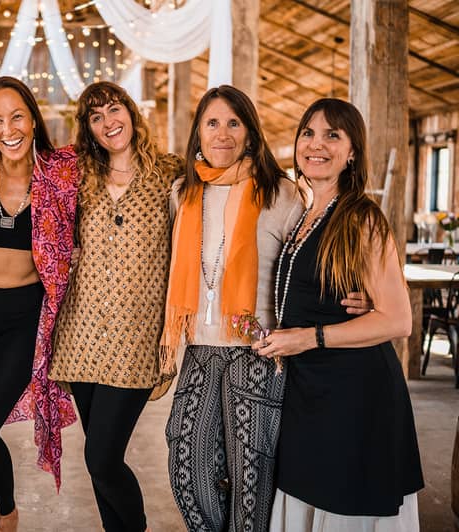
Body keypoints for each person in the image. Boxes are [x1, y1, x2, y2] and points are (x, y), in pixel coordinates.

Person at [253, 98, 423, 531]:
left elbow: (398, 320)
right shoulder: (304, 213)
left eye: (333, 135)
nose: (316, 144)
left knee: (343, 505)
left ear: (352, 152)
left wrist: (308, 337)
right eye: (308, 133)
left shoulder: (362, 217)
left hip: (355, 396)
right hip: (308, 392)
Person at [160, 85, 303, 531]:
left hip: (256, 348)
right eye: (212, 123)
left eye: (233, 123)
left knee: (250, 474)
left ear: (250, 133)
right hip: (201, 348)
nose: (222, 133)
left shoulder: (282, 194)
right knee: (187, 461)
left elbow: (307, 267)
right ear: (198, 133)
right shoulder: (182, 192)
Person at [49, 81, 184, 532]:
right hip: (82, 334)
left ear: (131, 111)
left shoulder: (170, 174)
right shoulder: (79, 178)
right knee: (99, 461)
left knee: (102, 457)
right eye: (96, 116)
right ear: (88, 128)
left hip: (137, 338)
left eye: (114, 109)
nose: (108, 122)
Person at [0, 75, 79, 532]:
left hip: (23, 319)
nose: (9, 129)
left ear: (34, 118)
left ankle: (7, 509)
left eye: (17, 116)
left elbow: (119, 163)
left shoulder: (63, 171)